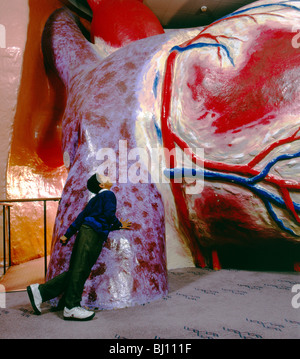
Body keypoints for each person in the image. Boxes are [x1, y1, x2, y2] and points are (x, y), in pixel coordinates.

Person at [27, 173, 131, 321]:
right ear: (102, 185)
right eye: (103, 176)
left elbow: (81, 217)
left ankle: (41, 292)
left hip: (84, 232)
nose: (107, 176)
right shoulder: (109, 195)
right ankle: (71, 306)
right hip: (93, 235)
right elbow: (109, 215)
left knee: (77, 270)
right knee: (81, 270)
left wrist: (67, 234)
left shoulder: (94, 199)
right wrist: (119, 224)